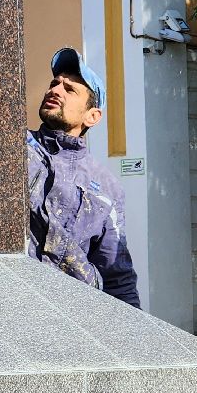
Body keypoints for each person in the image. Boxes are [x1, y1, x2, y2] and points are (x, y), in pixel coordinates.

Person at [27, 48, 140, 308]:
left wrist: (133, 338)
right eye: (54, 84)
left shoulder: (106, 187)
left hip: (72, 318)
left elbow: (117, 275)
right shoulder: (17, 150)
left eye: (70, 89)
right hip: (15, 305)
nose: (55, 90)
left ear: (92, 116)